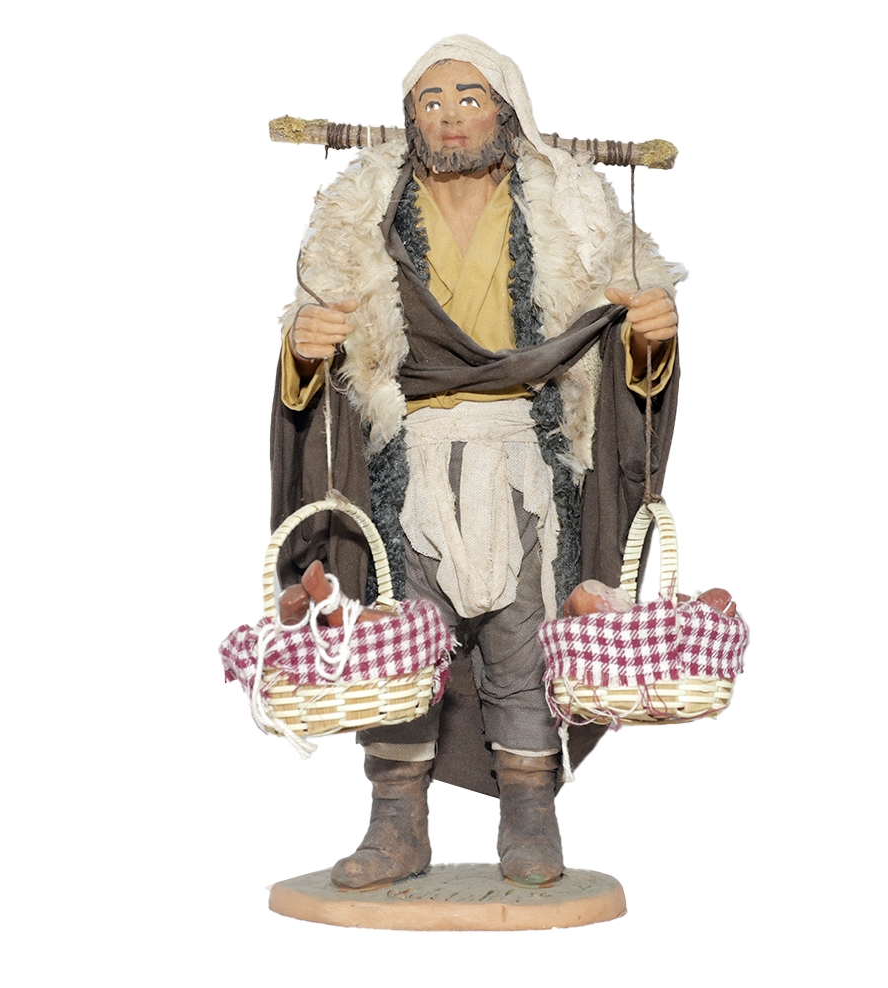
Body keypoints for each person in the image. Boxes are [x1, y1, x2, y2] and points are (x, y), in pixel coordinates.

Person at [270, 35, 683, 889]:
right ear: (409, 118)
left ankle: (530, 814)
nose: (450, 117)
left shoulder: (571, 214)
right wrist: (304, 350)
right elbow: (325, 359)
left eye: (469, 97)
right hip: (407, 462)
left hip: (525, 456)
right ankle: (397, 824)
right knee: (397, 645)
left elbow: (615, 345)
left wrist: (650, 336)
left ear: (507, 111)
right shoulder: (359, 222)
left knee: (523, 640)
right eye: (431, 101)